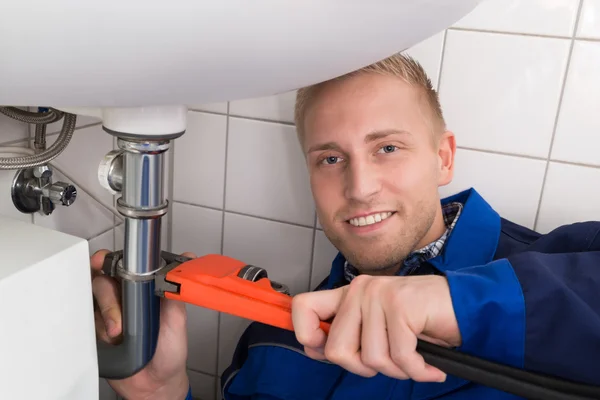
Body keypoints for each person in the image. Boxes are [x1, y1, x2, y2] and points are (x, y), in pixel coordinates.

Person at [91, 53, 600, 400]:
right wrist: (162, 392)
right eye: (331, 158)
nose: (359, 187)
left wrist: (458, 304)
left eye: (388, 148)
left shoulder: (566, 267)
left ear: (443, 158)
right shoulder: (274, 341)